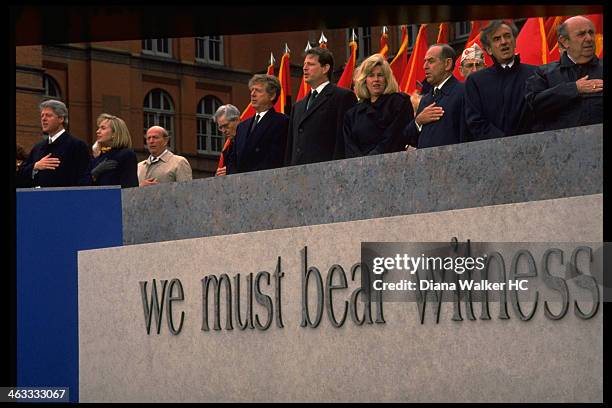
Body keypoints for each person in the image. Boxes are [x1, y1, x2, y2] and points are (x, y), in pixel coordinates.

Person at [524, 15, 603, 132]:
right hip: (561, 146)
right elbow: (533, 106)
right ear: (564, 41)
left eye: (591, 33)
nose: (589, 38)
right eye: (581, 34)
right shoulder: (544, 73)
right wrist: (574, 89)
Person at [464, 20, 537, 140]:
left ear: (514, 42)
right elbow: (475, 121)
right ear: (489, 50)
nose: (504, 42)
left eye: (507, 36)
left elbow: (542, 114)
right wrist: (503, 143)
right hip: (493, 151)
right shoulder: (476, 81)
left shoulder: (535, 74)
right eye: (497, 39)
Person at [285, 47, 357, 165]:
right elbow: (291, 147)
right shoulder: (297, 106)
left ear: (325, 68)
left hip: (326, 172)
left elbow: (342, 140)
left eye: (311, 64)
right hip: (297, 175)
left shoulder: (342, 97)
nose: (305, 68)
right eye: (304, 64)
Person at [343, 54, 413, 157]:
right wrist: (359, 164)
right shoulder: (352, 114)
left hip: (391, 164)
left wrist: (372, 160)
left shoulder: (400, 102)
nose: (376, 79)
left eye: (380, 75)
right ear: (364, 80)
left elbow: (394, 137)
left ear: (387, 79)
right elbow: (349, 146)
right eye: (371, 75)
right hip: (358, 168)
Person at [403, 44, 470, 149]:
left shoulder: (463, 92)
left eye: (431, 61)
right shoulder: (425, 99)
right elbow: (409, 138)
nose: (424, 66)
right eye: (425, 61)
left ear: (447, 64)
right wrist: (418, 121)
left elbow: (467, 137)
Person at [17, 99, 91, 187]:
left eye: (48, 115)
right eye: (42, 116)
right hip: (38, 198)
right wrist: (35, 166)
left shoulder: (77, 146)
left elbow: (84, 179)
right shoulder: (38, 148)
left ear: (61, 118)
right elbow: (20, 175)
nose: (43, 119)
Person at [227, 75, 288, 174]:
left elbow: (276, 157)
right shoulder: (242, 126)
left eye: (258, 91)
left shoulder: (281, 122)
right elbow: (232, 159)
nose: (252, 94)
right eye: (252, 90)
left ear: (272, 96)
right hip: (239, 184)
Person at [89, 113, 138, 188]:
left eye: (103, 128)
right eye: (99, 128)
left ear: (114, 133)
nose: (97, 131)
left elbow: (130, 186)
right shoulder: (100, 156)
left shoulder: (126, 154)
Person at [213, 104, 240, 176]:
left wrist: (230, 171)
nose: (223, 131)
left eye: (226, 126)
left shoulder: (249, 140)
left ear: (237, 120)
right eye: (220, 127)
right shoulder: (227, 147)